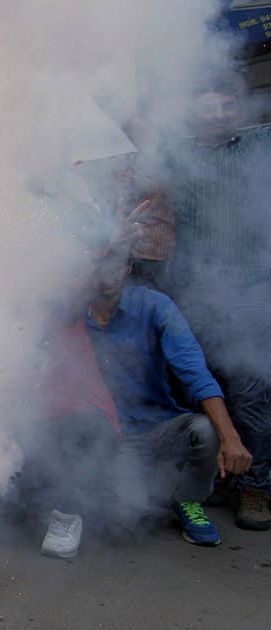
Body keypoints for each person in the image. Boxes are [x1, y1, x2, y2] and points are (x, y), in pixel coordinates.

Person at [33, 243, 252, 558]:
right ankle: (67, 517)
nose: (107, 273)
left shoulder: (156, 306)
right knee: (116, 512)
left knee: (205, 429)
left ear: (129, 268)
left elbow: (195, 372)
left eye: (116, 263)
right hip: (94, 438)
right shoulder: (69, 313)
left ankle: (188, 499)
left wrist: (230, 438)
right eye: (99, 263)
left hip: (152, 429)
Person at [159, 80, 271, 531]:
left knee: (250, 395)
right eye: (210, 107)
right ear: (193, 114)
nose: (220, 113)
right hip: (193, 298)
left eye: (228, 106)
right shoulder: (178, 159)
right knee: (202, 391)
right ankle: (214, 481)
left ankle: (256, 488)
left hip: (251, 295)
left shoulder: (258, 146)